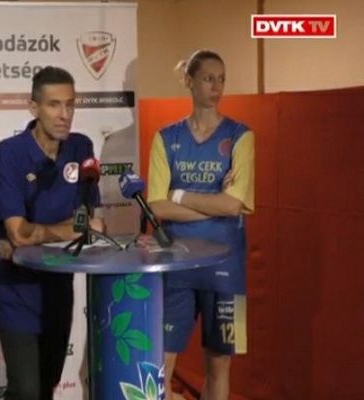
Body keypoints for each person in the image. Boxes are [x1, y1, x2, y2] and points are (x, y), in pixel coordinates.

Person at [0, 66, 103, 400]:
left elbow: (89, 218)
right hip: (16, 290)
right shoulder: (10, 153)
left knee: (47, 386)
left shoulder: (81, 147)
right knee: (25, 391)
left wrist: (47, 232)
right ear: (33, 107)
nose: (64, 114)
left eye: (70, 104)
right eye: (54, 105)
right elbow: (19, 234)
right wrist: (71, 229)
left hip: (58, 287)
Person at [147, 50, 255, 400]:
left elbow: (234, 204)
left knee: (221, 364)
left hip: (228, 269)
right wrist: (215, 205)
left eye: (221, 79)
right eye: (208, 78)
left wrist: (178, 195)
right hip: (174, 264)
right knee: (159, 361)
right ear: (190, 81)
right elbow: (156, 206)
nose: (216, 86)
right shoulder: (165, 137)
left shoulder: (242, 136)